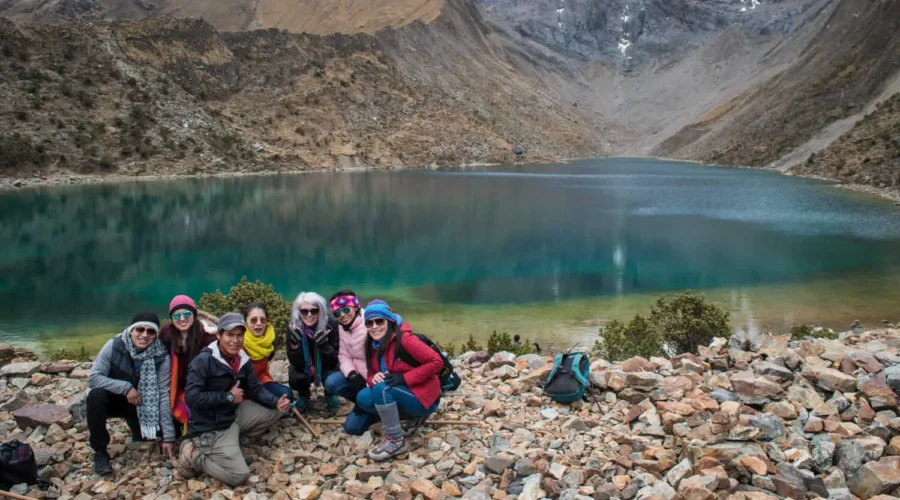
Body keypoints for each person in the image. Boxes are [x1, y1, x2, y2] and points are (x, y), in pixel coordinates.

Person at [175, 313, 291, 486]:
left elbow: (255, 388)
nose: (235, 340)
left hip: (232, 416)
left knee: (272, 413)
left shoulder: (241, 359)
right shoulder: (203, 361)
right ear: (219, 336)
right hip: (211, 427)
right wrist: (228, 397)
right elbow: (192, 398)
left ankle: (234, 441)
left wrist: (276, 401)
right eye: (229, 335)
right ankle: (193, 455)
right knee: (239, 475)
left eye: (239, 335)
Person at [343, 300, 443, 461]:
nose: (374, 326)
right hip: (400, 391)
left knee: (381, 389)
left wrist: (404, 378)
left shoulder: (405, 340)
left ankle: (395, 440)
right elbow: (370, 374)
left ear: (389, 321)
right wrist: (372, 378)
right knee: (363, 397)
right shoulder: (372, 345)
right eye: (369, 323)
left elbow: (437, 362)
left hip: (423, 397)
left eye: (379, 321)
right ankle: (406, 419)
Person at [87, 312, 175, 475]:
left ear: (156, 335)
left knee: (164, 434)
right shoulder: (114, 345)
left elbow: (163, 394)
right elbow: (93, 379)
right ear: (131, 330)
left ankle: (137, 427)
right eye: (139, 329)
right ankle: (100, 452)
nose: (144, 335)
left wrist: (169, 437)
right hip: (115, 400)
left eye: (150, 332)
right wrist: (125, 388)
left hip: (144, 404)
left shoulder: (162, 356)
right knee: (96, 396)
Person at [159, 295, 216, 436]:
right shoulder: (166, 334)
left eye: (186, 314)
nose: (182, 319)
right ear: (171, 318)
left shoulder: (208, 337)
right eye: (177, 316)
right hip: (175, 385)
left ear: (194, 315)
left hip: (201, 383)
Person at [286, 292, 341, 412]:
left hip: (326, 366)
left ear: (320, 311)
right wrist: (294, 346)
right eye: (304, 311)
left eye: (314, 311)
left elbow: (335, 359)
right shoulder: (293, 327)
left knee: (334, 378)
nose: (309, 314)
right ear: (298, 312)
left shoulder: (331, 325)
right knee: (296, 377)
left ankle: (329, 393)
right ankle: (303, 393)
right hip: (305, 367)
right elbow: (294, 363)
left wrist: (324, 346)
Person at [242, 302, 293, 401]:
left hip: (261, 381)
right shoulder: (239, 343)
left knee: (287, 394)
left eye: (263, 320)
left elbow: (263, 372)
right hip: (244, 388)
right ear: (245, 322)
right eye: (253, 320)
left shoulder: (267, 340)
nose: (259, 323)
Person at [331, 290, 369, 404]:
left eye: (346, 309)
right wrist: (351, 374)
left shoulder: (371, 321)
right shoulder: (342, 327)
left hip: (376, 376)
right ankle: (362, 402)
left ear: (356, 307)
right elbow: (344, 355)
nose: (342, 315)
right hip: (357, 373)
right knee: (331, 383)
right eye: (337, 313)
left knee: (365, 398)